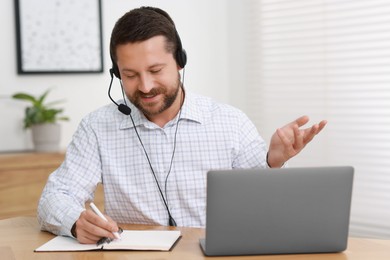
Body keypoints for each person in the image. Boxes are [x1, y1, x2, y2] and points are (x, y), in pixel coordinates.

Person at [38, 6, 327, 244]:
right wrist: (76, 222)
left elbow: (265, 207)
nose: (146, 86)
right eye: (131, 75)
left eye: (155, 70)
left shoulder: (231, 122)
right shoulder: (96, 127)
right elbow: (55, 197)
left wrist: (273, 162)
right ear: (117, 74)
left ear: (179, 62)